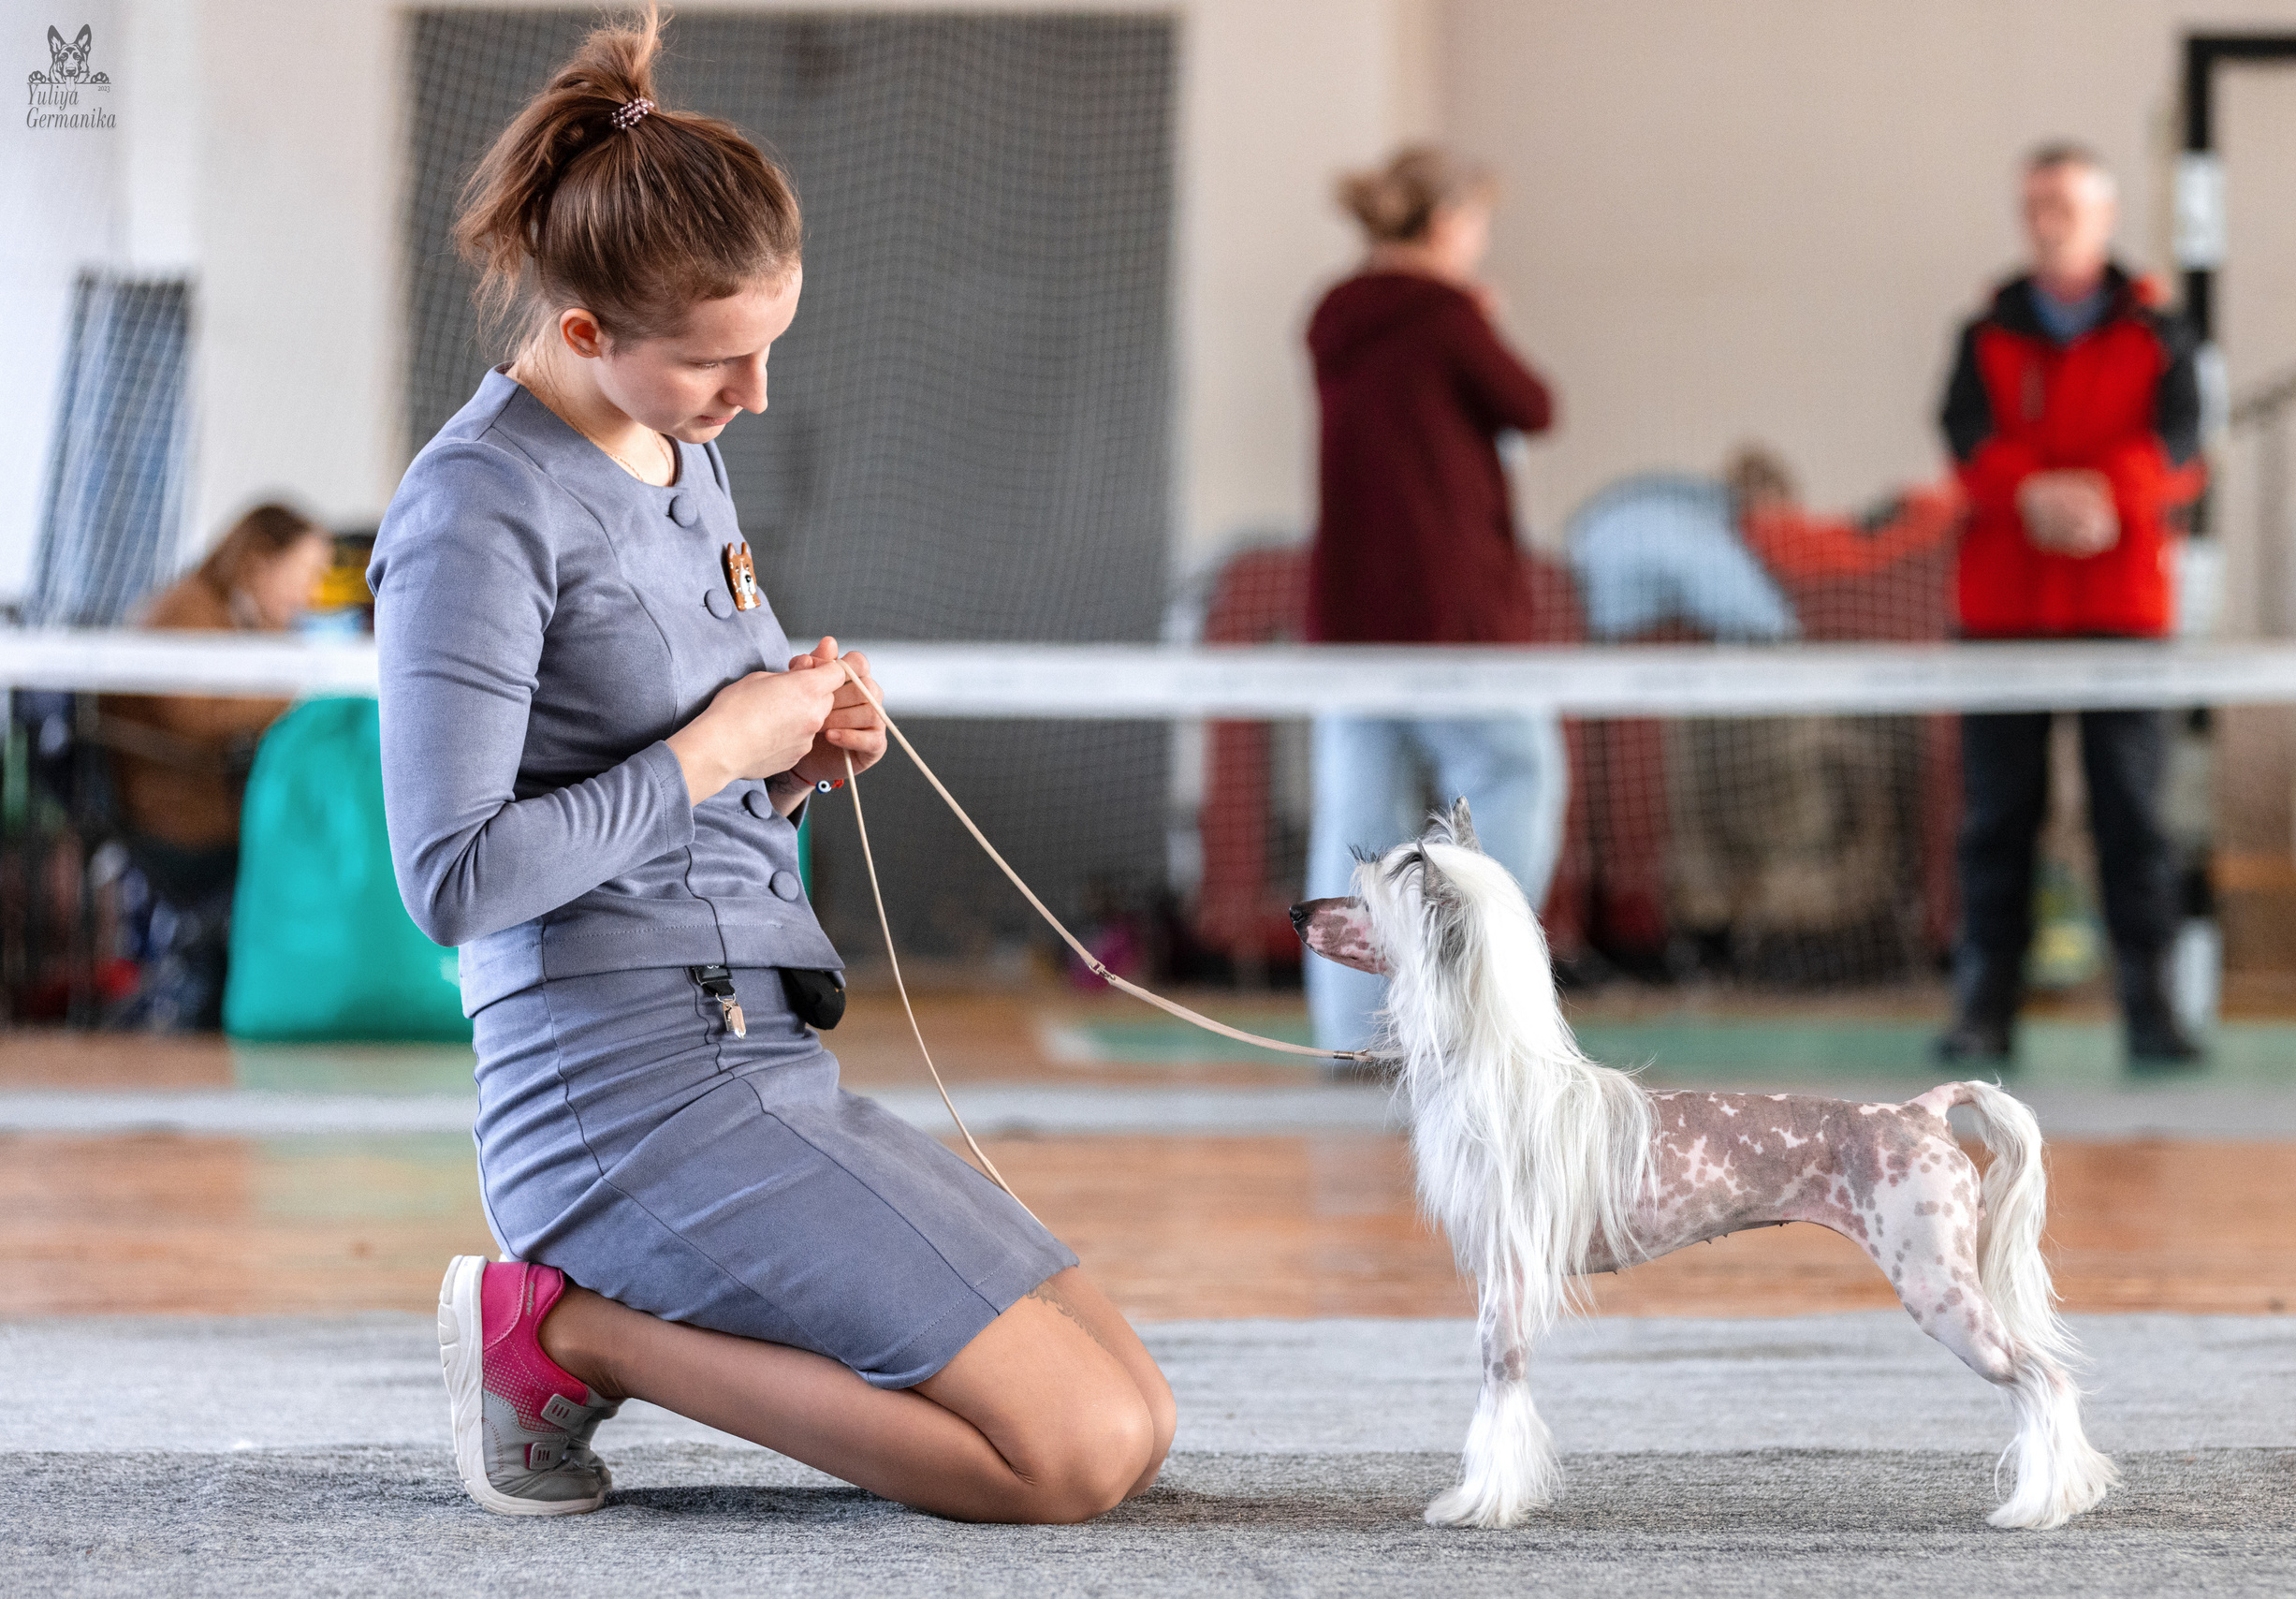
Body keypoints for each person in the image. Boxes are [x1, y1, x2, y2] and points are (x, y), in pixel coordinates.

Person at [368, 11, 1170, 1524]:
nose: (751, 397)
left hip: (763, 1048)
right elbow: (453, 878)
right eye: (715, 362)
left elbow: (686, 778)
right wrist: (714, 744)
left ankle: (589, 1322)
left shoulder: (683, 447)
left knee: (1133, 1413)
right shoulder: (475, 509)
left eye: (768, 351)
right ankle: (560, 1328)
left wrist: (798, 756)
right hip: (617, 1086)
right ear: (586, 331)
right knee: (1060, 1457)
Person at [1935, 142, 2204, 1065]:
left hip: (2120, 610)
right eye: (2035, 202)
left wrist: (2099, 495)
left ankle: (2151, 1014)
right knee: (1995, 820)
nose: (2048, 218)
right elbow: (1965, 439)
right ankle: (1983, 1012)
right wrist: (2032, 494)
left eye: (2066, 203)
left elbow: (2179, 448)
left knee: (2135, 815)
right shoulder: (1984, 330)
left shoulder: (2156, 329)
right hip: (2002, 613)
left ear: (2103, 213)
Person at [1303, 143, 1564, 1058]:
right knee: (1518, 777)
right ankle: (1475, 993)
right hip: (1454, 617)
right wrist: (1480, 319)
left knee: (1356, 827)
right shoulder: (1448, 313)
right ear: (1448, 222)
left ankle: (1350, 1038)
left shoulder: (1332, 316)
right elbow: (1534, 405)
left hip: (1347, 619)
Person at [100, 503, 333, 1027]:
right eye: (304, 575)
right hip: (180, 825)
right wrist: (300, 693)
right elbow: (193, 716)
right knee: (324, 845)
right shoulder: (185, 614)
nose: (311, 596)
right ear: (257, 564)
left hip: (211, 806)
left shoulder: (227, 614)